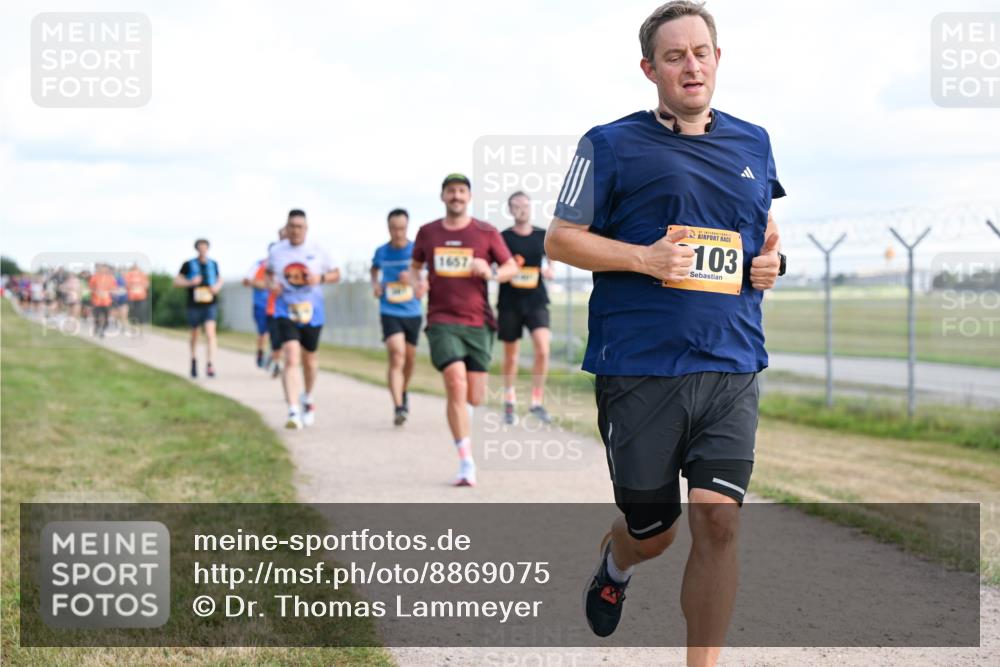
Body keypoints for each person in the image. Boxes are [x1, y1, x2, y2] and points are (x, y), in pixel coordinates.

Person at [543, 3, 786, 665]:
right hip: (641, 368)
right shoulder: (609, 142)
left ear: (717, 58)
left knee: (719, 517)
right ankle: (618, 559)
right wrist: (643, 257)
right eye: (674, 55)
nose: (690, 65)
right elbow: (560, 239)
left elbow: (761, 238)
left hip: (731, 362)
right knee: (656, 533)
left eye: (701, 51)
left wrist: (773, 265)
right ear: (650, 68)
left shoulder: (754, 142)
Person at [408, 174, 518, 486]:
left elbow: (511, 268)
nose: (456, 196)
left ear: (468, 196)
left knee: (475, 396)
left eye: (461, 191)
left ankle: (463, 420)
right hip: (442, 320)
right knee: (455, 383)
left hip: (478, 322)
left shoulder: (485, 232)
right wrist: (418, 284)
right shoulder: (427, 232)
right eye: (450, 191)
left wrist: (492, 271)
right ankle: (466, 461)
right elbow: (414, 268)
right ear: (443, 196)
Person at [268, 209, 340, 429]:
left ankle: (307, 397)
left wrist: (320, 278)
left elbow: (337, 274)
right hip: (285, 309)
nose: (295, 230)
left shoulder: (317, 250)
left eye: (300, 226)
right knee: (291, 357)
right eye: (292, 226)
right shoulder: (277, 251)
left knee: (309, 360)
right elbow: (269, 275)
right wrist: (273, 285)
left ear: (306, 229)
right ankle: (292, 410)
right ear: (286, 228)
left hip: (312, 311)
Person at [497, 191, 556, 425]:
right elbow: (497, 263)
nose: (521, 209)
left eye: (525, 204)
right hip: (510, 301)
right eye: (516, 205)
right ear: (510, 210)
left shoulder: (542, 235)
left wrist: (550, 268)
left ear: (530, 207)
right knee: (512, 356)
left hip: (536, 300)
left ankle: (536, 402)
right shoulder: (503, 237)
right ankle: (509, 400)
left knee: (543, 349)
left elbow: (552, 254)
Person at [371, 208, 423, 426]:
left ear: (407, 227)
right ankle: (398, 406)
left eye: (401, 228)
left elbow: (424, 281)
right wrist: (375, 285)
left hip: (412, 312)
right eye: (393, 228)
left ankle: (403, 390)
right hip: (389, 310)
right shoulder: (381, 252)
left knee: (409, 359)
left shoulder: (416, 251)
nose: (398, 233)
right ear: (388, 228)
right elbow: (373, 270)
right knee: (397, 354)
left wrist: (413, 281)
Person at [174, 239, 223, 378]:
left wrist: (216, 288)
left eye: (205, 247)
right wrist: (190, 282)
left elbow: (220, 279)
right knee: (195, 334)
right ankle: (194, 360)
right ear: (196, 249)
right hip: (194, 304)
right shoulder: (188, 264)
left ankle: (210, 364)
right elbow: (176, 281)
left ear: (208, 249)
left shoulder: (213, 264)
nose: (203, 250)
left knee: (210, 333)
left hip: (210, 303)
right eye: (200, 247)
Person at [243, 246, 280, 370]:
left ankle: (274, 360)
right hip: (261, 305)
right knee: (263, 333)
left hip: (279, 306)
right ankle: (260, 352)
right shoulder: (260, 264)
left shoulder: (285, 263)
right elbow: (246, 281)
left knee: (278, 335)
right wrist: (264, 284)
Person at [88, 264, 118, 338]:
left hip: (107, 301)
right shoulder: (94, 277)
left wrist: (111, 292)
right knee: (97, 317)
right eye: (102, 269)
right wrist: (96, 291)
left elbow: (114, 289)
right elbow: (90, 288)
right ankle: (97, 326)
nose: (104, 270)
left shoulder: (111, 278)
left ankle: (103, 330)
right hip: (96, 301)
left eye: (105, 269)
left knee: (106, 317)